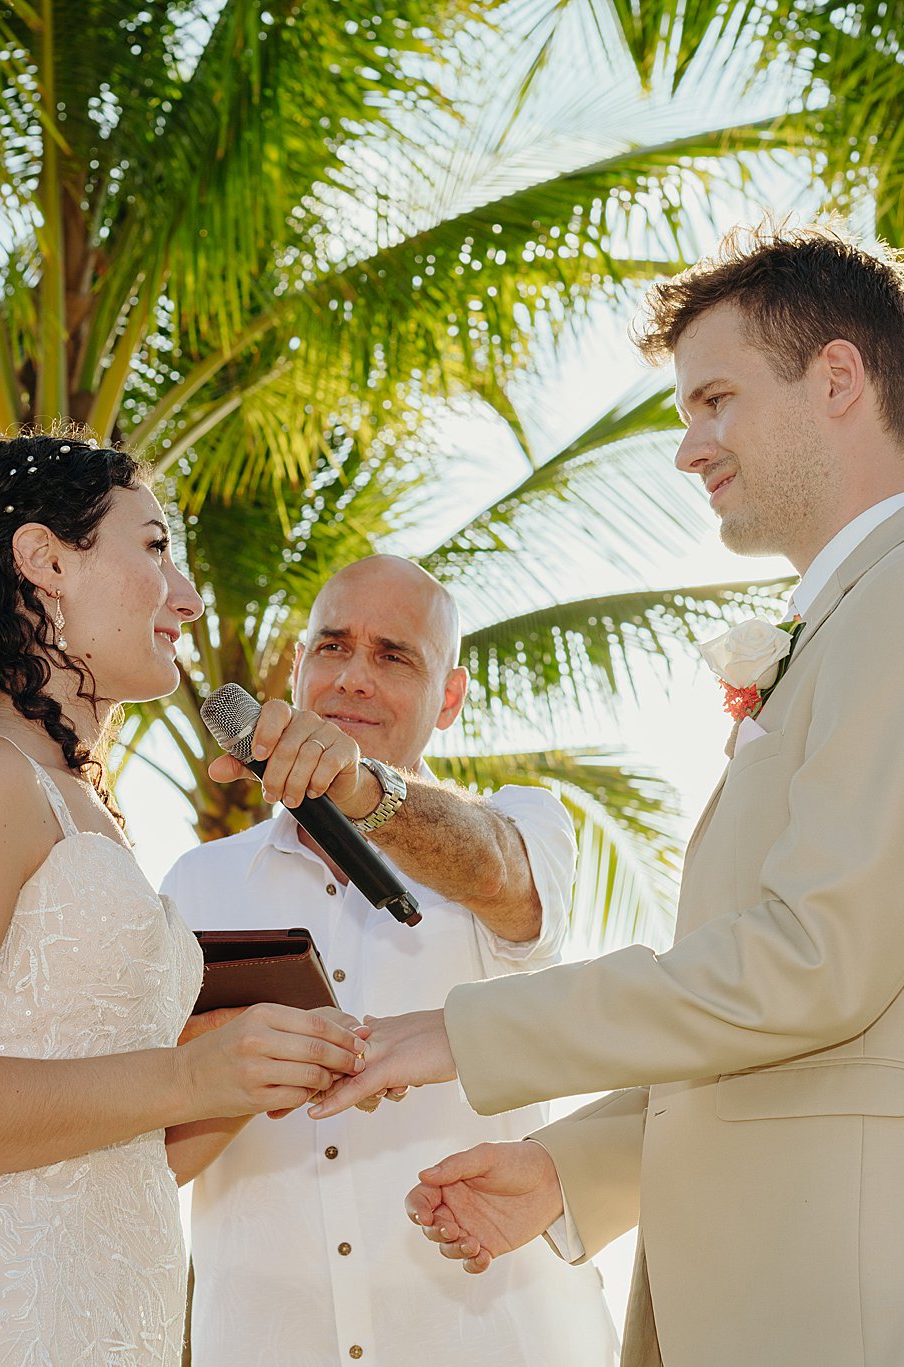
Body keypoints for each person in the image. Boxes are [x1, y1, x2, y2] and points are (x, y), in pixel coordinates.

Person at [311, 226, 904, 1366]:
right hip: (782, 1292)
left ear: (834, 379)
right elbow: (793, 1027)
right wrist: (575, 1170)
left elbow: (810, 964)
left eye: (712, 400)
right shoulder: (856, 620)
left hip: (872, 1301)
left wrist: (458, 1031)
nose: (687, 448)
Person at [0, 431, 366, 1367]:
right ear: (45, 561)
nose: (189, 600)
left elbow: (120, 1154)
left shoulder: (83, 809)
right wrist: (192, 1075)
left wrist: (247, 1077)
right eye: (156, 548)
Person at [159, 554, 615, 1366]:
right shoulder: (197, 883)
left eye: (393, 655)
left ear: (450, 698)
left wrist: (364, 791)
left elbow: (503, 877)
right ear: (298, 670)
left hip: (496, 1342)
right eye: (332, 647)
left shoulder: (522, 825)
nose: (354, 679)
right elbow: (152, 1133)